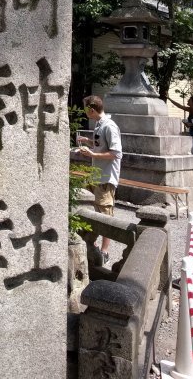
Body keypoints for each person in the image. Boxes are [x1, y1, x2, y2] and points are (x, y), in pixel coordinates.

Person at [77, 95, 122, 266]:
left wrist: (93, 154)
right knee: (93, 210)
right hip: (96, 175)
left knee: (105, 214)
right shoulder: (99, 124)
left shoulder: (110, 126)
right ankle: (93, 246)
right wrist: (87, 141)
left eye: (85, 108)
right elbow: (100, 144)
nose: (85, 112)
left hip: (106, 177)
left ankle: (105, 252)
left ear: (92, 110)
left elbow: (116, 153)